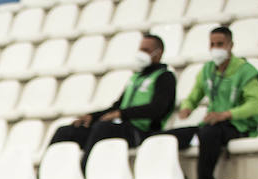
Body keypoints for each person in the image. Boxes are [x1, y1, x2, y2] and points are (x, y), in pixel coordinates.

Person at [47, 33, 175, 169]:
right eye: (140, 49)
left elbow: (158, 109)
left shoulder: (165, 77)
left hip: (141, 132)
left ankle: (84, 172)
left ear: (158, 53)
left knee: (103, 128)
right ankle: (46, 174)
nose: (140, 54)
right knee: (66, 131)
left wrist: (121, 114)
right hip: (120, 127)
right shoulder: (136, 78)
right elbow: (117, 107)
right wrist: (92, 116)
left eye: (146, 50)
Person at [165, 25, 258, 179]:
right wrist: (188, 107)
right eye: (212, 44)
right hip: (211, 123)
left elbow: (254, 105)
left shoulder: (245, 71)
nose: (215, 49)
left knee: (208, 134)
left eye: (220, 44)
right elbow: (194, 95)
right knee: (168, 138)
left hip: (238, 126)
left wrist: (226, 114)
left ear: (230, 45)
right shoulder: (208, 70)